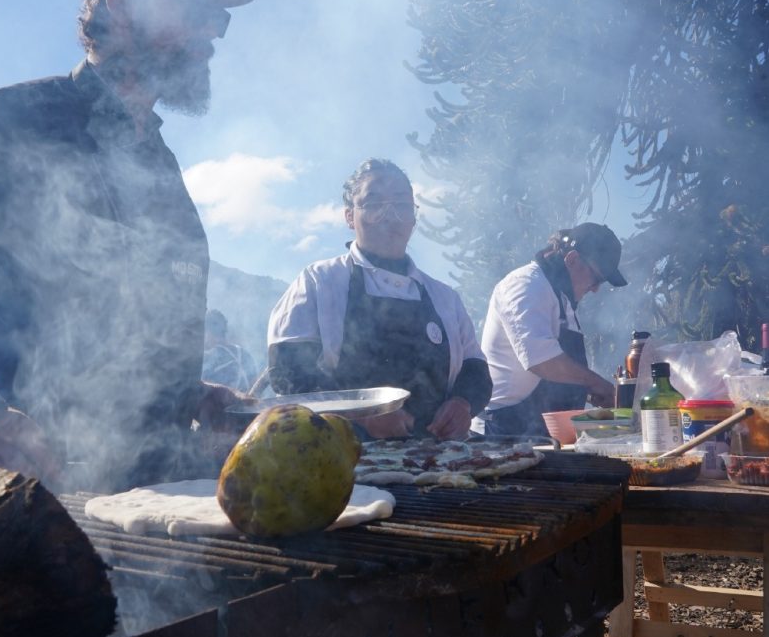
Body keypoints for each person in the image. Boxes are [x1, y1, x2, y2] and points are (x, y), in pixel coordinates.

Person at [0, 0, 258, 491]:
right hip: (17, 495)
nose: (213, 30)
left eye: (220, 14)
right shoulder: (10, 124)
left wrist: (195, 395)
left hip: (147, 499)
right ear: (121, 4)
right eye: (195, 4)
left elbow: (140, 344)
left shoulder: (162, 168)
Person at [267, 159, 491, 440]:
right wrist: (362, 414)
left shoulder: (445, 298)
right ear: (350, 217)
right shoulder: (319, 282)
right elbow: (289, 373)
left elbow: (476, 371)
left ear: (413, 217)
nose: (389, 215)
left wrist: (462, 404)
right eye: (374, 204)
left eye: (401, 205)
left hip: (439, 458)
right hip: (342, 458)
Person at [479, 222, 627, 440]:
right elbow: (541, 360)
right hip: (505, 430)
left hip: (546, 431)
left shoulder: (563, 302)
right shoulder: (526, 285)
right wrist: (597, 383)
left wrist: (589, 393)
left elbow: (563, 374)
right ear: (573, 259)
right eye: (597, 277)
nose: (596, 288)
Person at [201, 309, 258, 392]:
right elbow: (255, 386)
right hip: (250, 403)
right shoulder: (243, 354)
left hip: (224, 404)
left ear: (208, 333)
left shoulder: (209, 357)